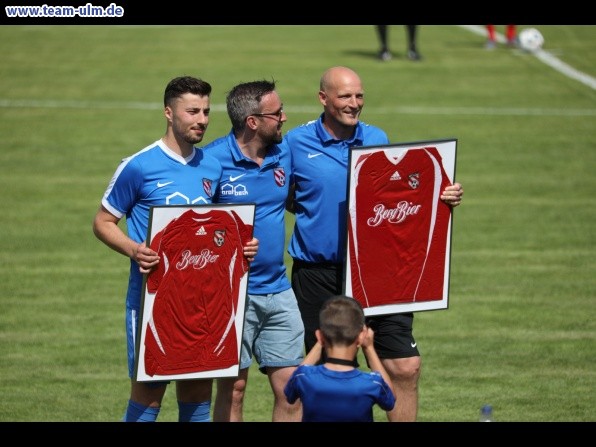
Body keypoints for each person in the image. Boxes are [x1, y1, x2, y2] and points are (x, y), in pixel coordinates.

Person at [284, 66, 463, 422]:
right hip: (319, 275)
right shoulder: (294, 143)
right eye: (345, 96)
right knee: (317, 374)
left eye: (359, 96)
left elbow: (399, 192)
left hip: (379, 272)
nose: (354, 104)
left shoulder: (377, 136)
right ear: (323, 99)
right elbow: (284, 196)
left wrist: (440, 195)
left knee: (405, 367)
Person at [92, 75, 259, 422]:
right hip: (152, 302)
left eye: (206, 112)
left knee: (198, 393)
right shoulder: (139, 165)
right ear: (169, 113)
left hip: (201, 305)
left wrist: (241, 245)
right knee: (149, 396)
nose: (201, 120)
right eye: (192, 111)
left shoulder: (212, 167)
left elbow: (214, 228)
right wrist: (135, 249)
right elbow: (103, 222)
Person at [204, 80, 304, 422]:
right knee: (234, 389)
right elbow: (193, 227)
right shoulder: (212, 161)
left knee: (293, 390)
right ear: (253, 121)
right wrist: (228, 242)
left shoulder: (284, 152)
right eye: (277, 114)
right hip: (231, 295)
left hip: (279, 290)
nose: (284, 118)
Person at [284, 295, 396, 422]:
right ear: (361, 337)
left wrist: (320, 342)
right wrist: (369, 348)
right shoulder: (372, 383)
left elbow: (289, 394)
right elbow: (390, 401)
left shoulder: (304, 377)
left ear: (320, 336)